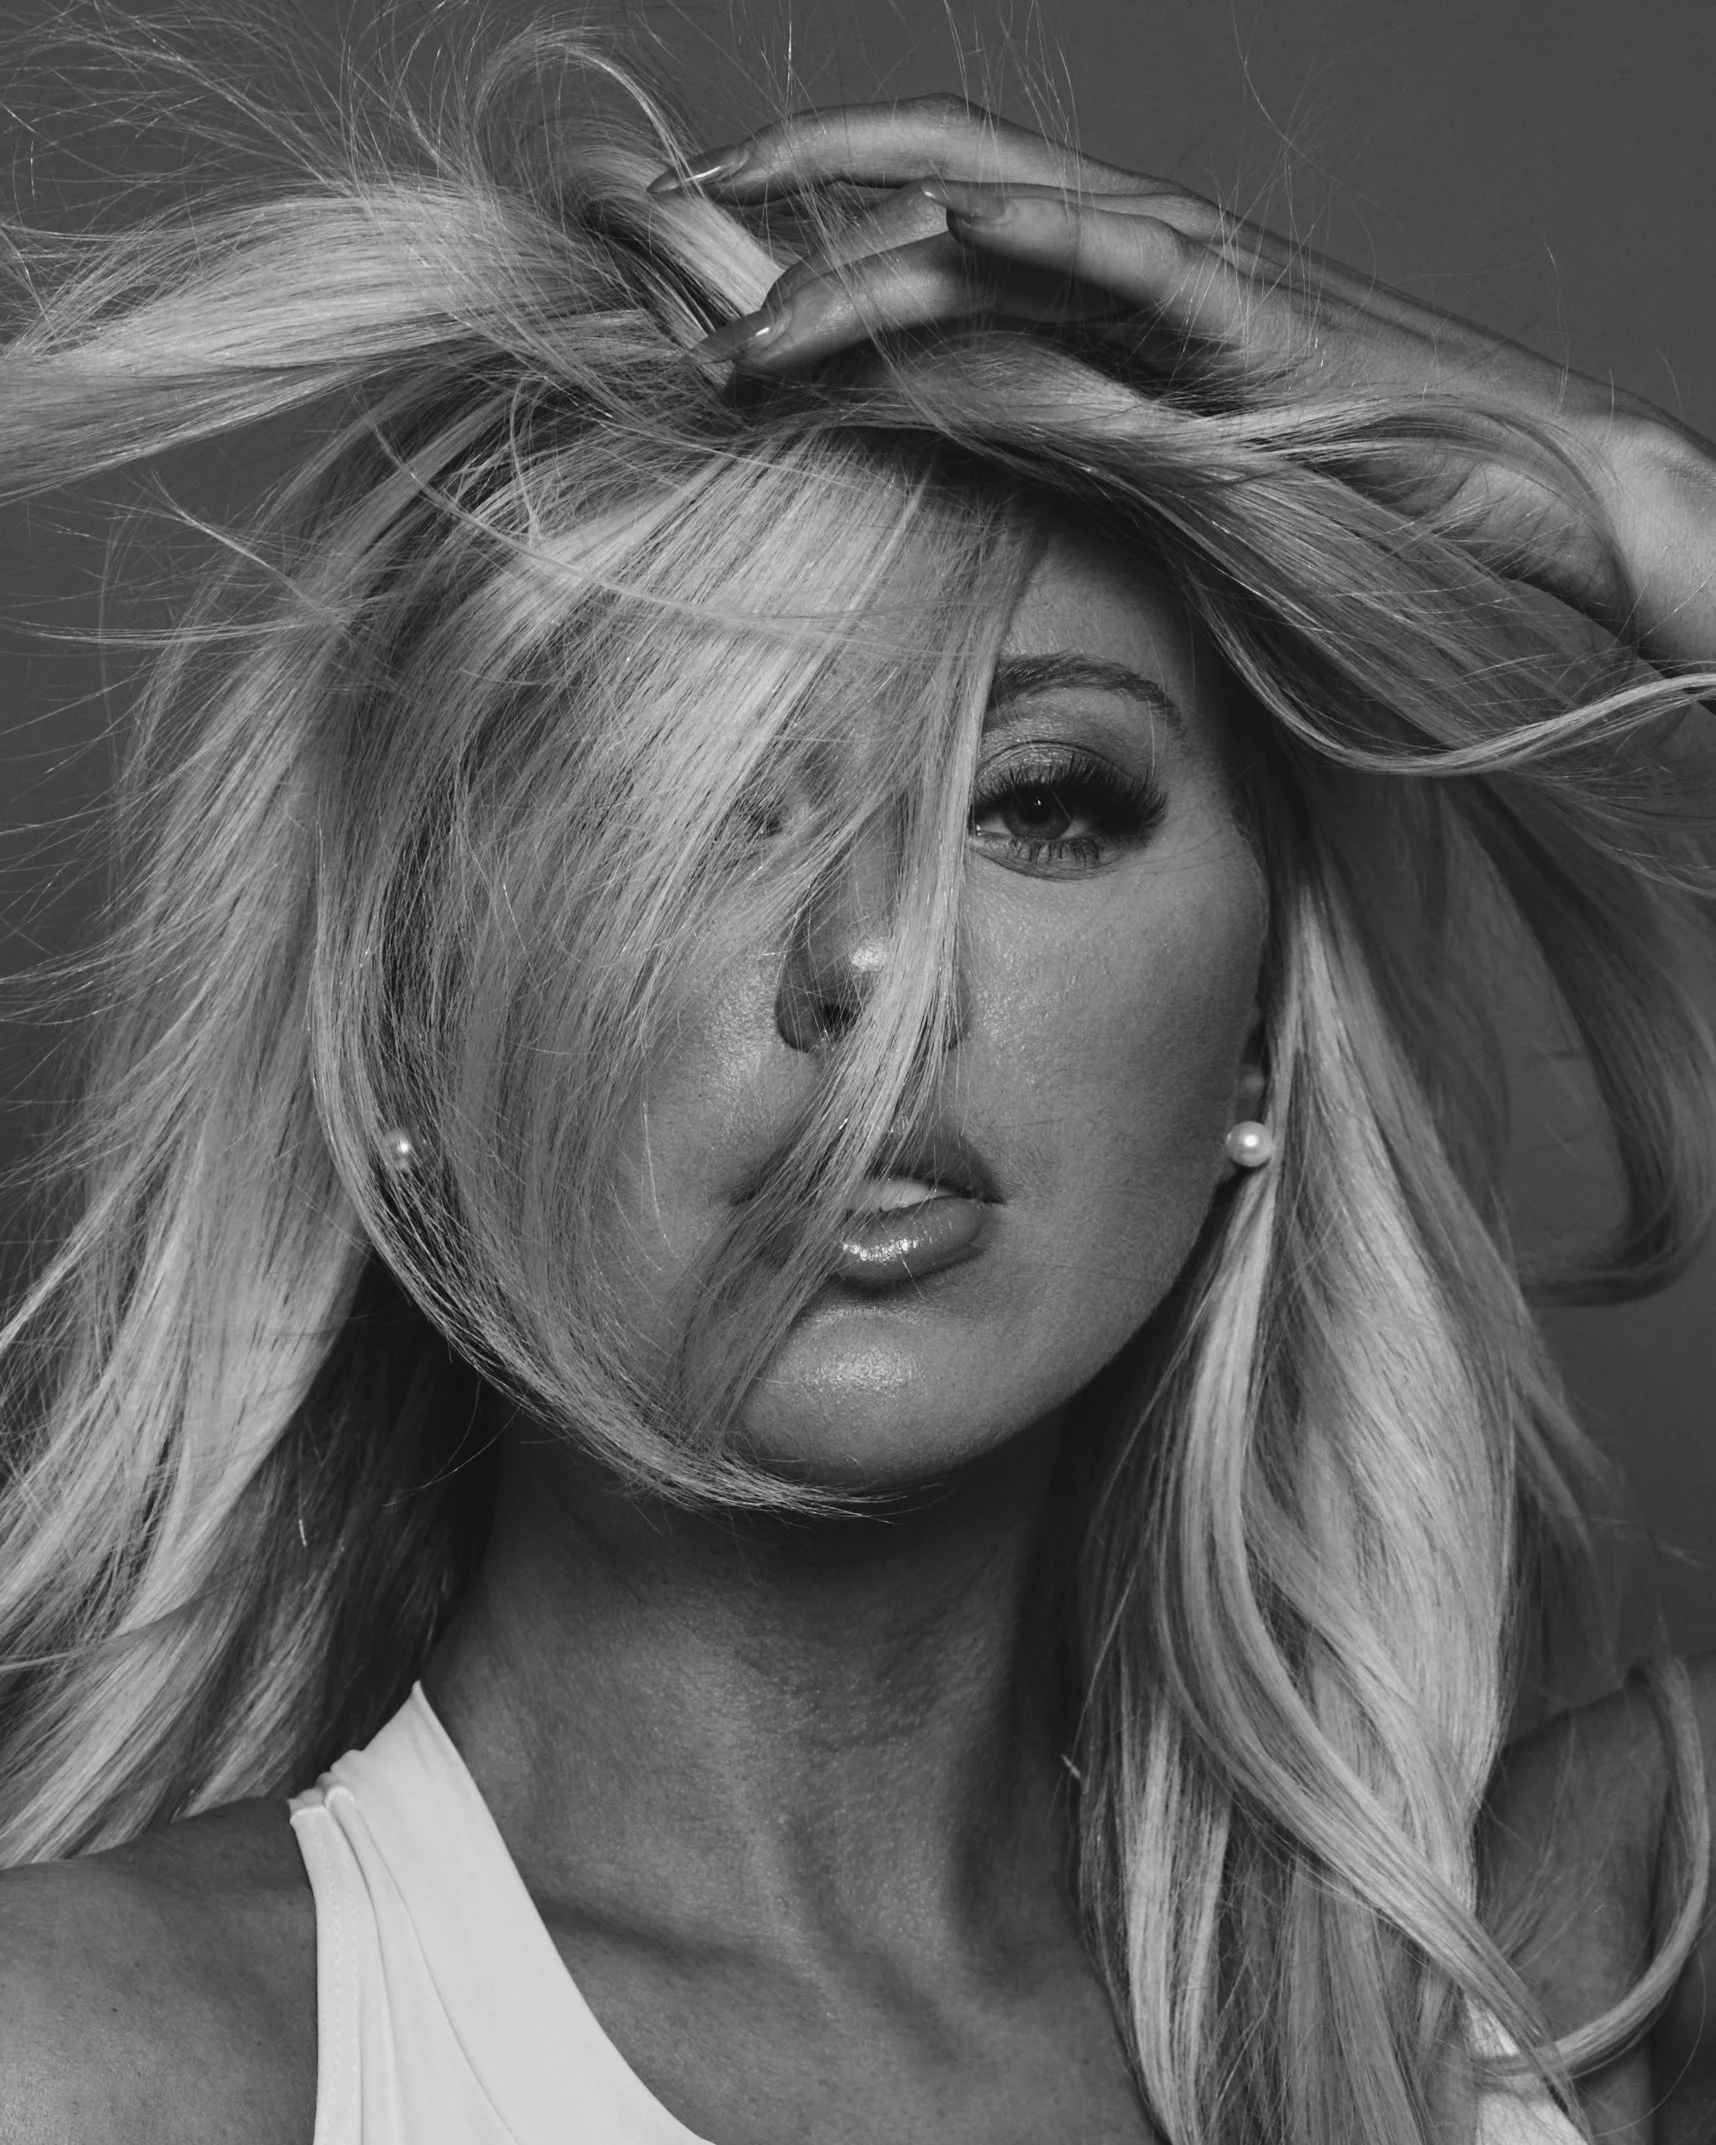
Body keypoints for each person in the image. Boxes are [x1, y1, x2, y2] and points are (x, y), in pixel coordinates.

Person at [0, 9, 1713, 2141]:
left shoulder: (1529, 2010)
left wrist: (1625, 502)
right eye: (694, 810)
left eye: (1041, 801)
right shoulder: (99, 2062)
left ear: (1262, 1022)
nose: (870, 962)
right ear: (410, 1038)